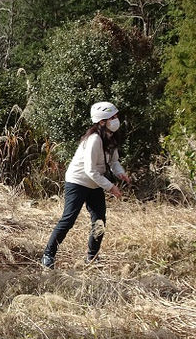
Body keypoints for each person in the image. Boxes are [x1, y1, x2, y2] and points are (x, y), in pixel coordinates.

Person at [41, 101, 131, 269]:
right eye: (112, 117)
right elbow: (90, 170)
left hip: (95, 183)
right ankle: (48, 255)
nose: (116, 120)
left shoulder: (111, 136)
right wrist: (111, 187)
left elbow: (114, 161)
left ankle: (92, 257)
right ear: (102, 121)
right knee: (68, 219)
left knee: (100, 221)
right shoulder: (94, 139)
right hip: (78, 181)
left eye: (116, 116)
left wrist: (120, 172)